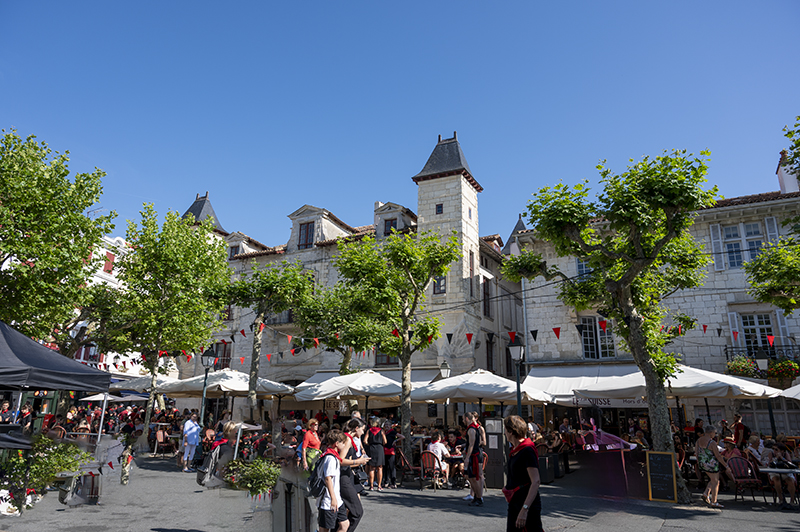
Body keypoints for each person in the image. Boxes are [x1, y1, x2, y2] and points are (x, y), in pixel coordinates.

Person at [504, 415, 542, 532]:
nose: (504, 433)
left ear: (511, 432)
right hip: (515, 501)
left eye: (505, 430)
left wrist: (525, 509)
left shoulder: (527, 450)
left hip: (526, 502)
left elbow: (535, 481)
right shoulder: (516, 449)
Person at [316, 429, 350, 532]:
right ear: (336, 443)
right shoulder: (330, 458)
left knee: (345, 525)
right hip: (328, 500)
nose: (344, 445)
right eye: (343, 443)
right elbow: (328, 478)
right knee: (324, 529)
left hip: (336, 499)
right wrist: (333, 498)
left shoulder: (333, 456)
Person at [341, 418, 370, 532]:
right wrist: (358, 462)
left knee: (344, 512)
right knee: (357, 512)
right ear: (356, 428)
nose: (363, 433)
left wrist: (358, 461)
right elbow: (340, 461)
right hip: (344, 478)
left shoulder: (348, 439)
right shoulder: (347, 439)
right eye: (362, 430)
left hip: (347, 476)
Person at [696, 424, 729, 508]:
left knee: (713, 479)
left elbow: (697, 453)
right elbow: (718, 456)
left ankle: (706, 493)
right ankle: (714, 501)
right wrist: (726, 465)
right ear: (711, 433)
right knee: (716, 482)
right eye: (715, 433)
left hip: (702, 463)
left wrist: (699, 462)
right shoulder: (712, 442)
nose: (715, 434)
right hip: (711, 464)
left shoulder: (698, 440)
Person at [761, 439, 797, 506]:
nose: (774, 451)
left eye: (776, 450)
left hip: (785, 472)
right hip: (775, 471)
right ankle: (781, 498)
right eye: (774, 449)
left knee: (791, 481)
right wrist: (776, 458)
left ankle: (792, 500)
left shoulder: (786, 454)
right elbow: (770, 463)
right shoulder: (771, 453)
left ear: (782, 450)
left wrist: (782, 458)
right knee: (776, 480)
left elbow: (790, 463)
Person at [464, 411, 486, 506]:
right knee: (470, 476)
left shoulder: (473, 429)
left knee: (476, 476)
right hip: (475, 454)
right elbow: (470, 443)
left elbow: (472, 444)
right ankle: (477, 496)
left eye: (463, 419)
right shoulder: (473, 428)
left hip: (475, 455)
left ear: (467, 418)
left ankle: (479, 497)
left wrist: (467, 457)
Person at [366, 418, 386, 491]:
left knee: (372, 468)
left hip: (372, 448)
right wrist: (381, 444)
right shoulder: (381, 431)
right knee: (380, 467)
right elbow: (385, 441)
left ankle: (371, 486)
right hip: (379, 448)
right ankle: (379, 486)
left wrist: (370, 444)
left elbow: (365, 440)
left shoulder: (369, 430)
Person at [382, 421, 402, 488]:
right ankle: (386, 481)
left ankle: (393, 482)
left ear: (390, 426)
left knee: (391, 467)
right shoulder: (384, 432)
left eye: (388, 425)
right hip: (384, 451)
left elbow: (402, 436)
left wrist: (395, 441)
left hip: (391, 451)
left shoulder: (392, 432)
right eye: (386, 425)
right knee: (385, 467)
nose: (387, 426)